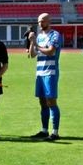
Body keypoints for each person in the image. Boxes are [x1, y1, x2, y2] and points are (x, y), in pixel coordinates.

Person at [30, 12, 62, 140]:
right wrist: (32, 42)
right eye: (38, 21)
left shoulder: (55, 35)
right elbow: (32, 55)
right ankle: (44, 130)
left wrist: (36, 45)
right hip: (40, 73)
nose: (40, 23)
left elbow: (50, 51)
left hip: (50, 72)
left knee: (51, 101)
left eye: (42, 21)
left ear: (49, 21)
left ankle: (55, 132)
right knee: (42, 102)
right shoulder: (38, 37)